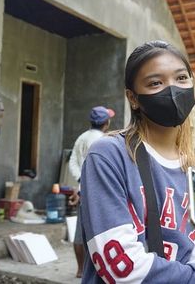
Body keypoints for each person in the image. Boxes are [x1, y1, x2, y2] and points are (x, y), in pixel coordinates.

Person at [79, 40, 195, 283]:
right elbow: (122, 267)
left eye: (182, 78)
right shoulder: (109, 156)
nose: (173, 90)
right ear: (133, 98)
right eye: (156, 83)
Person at [67, 105, 115, 278]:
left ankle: (80, 269)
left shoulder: (82, 137)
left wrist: (81, 179)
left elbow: (72, 161)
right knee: (98, 230)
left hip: (83, 189)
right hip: (98, 191)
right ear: (105, 123)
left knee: (81, 231)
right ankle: (95, 269)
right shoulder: (105, 141)